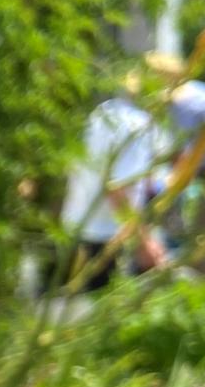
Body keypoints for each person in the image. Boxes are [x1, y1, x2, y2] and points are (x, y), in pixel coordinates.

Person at [60, 75, 168, 290]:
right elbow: (117, 189)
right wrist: (144, 243)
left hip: (75, 228)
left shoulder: (103, 113)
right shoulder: (137, 125)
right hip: (106, 237)